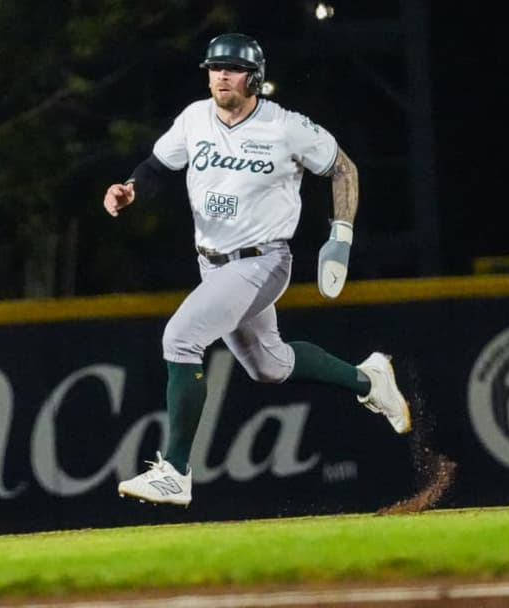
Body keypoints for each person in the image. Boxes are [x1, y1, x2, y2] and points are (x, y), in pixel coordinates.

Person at [102, 32, 411, 507]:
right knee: (270, 366)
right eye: (214, 67)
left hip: (262, 260)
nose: (221, 75)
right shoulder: (194, 118)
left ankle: (175, 472)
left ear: (255, 76)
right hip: (212, 264)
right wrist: (129, 189)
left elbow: (344, 168)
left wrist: (341, 235)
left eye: (232, 67)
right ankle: (370, 380)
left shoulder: (285, 127)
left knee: (180, 338)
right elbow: (156, 166)